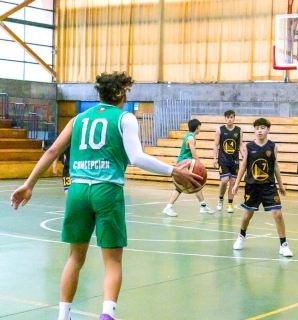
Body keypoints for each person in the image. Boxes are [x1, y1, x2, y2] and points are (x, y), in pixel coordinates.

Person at [10, 72, 201, 320]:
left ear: (100, 93)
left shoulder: (78, 119)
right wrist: (172, 170)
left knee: (75, 258)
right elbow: (136, 158)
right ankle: (107, 315)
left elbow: (53, 151)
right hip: (107, 190)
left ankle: (63, 316)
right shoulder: (125, 118)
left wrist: (28, 184)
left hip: (78, 190)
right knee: (112, 261)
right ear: (121, 94)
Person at [231, 118, 293, 257]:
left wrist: (281, 184)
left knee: (278, 214)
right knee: (247, 215)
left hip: (269, 186)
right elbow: (243, 166)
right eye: (257, 128)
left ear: (268, 130)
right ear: (254, 130)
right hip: (252, 186)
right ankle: (241, 236)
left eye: (262, 128)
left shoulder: (272, 146)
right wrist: (236, 184)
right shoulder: (249, 147)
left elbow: (275, 166)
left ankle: (283, 245)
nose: (259, 130)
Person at [162, 119, 215, 217]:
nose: (200, 129)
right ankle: (168, 207)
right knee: (179, 188)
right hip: (183, 165)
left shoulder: (189, 136)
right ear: (197, 127)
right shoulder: (191, 138)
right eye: (200, 127)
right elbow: (194, 153)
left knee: (196, 183)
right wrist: (200, 165)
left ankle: (203, 206)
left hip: (186, 164)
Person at [213, 110, 244, 213]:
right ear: (225, 118)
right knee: (224, 180)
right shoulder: (220, 130)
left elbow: (240, 145)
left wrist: (243, 155)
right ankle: (220, 200)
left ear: (234, 118)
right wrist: (214, 158)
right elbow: (215, 145)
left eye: (232, 117)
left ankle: (230, 204)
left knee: (233, 182)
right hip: (223, 159)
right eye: (228, 117)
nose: (230, 119)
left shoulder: (239, 130)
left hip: (234, 160)